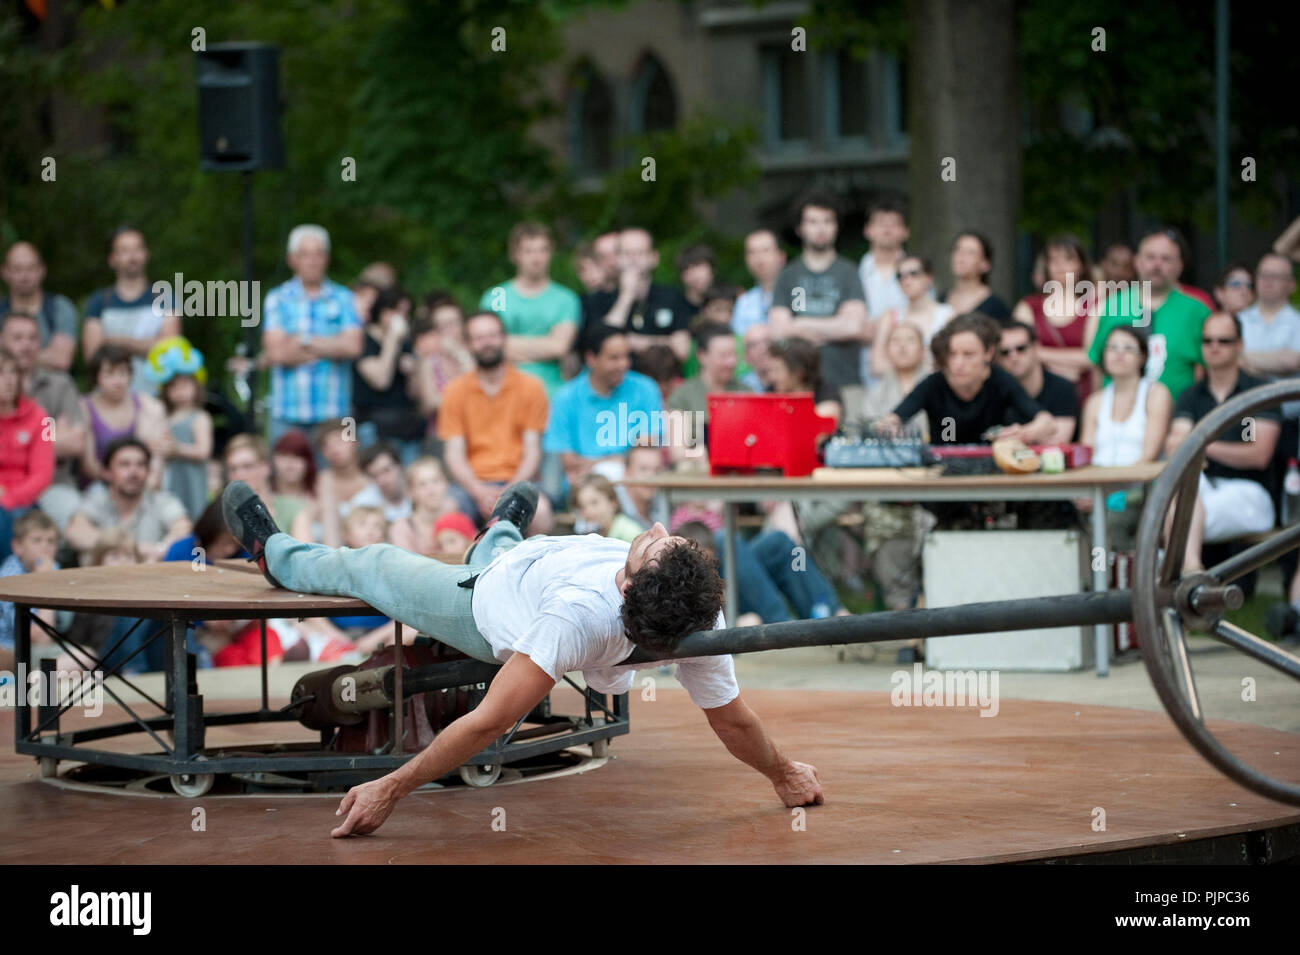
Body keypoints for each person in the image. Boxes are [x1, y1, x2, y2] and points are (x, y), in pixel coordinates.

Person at [220, 479, 822, 836]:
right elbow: (732, 716)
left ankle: (275, 552)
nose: (658, 528)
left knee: (373, 564)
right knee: (505, 546)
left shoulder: (575, 620)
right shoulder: (699, 607)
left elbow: (487, 722)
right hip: (531, 563)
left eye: (656, 546)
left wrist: (391, 788)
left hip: (481, 606)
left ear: (630, 587)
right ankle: (499, 530)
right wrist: (782, 772)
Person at [1164, 312, 1280, 572]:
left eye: (1223, 340)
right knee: (1185, 499)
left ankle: (1182, 578)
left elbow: (1258, 454)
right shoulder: (1191, 395)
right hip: (1201, 486)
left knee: (1175, 513)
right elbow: (1175, 446)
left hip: (1249, 490)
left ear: (1239, 345)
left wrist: (1201, 443)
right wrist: (1199, 445)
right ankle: (1192, 571)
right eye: (1207, 340)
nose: (1214, 346)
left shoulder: (1257, 392)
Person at [438, 310, 553, 531]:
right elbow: (454, 453)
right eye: (479, 338)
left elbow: (533, 452)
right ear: (469, 344)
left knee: (543, 513)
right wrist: (477, 490)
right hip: (471, 485)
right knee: (446, 513)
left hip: (519, 481)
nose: (487, 343)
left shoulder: (531, 387)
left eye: (492, 335)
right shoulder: (455, 391)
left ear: (503, 339)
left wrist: (509, 493)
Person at [877, 312, 1055, 445]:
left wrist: (1023, 433)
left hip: (989, 477)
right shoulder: (934, 383)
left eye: (968, 354)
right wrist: (890, 428)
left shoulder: (1000, 380)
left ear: (989, 353)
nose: (958, 363)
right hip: (941, 476)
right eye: (952, 354)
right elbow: (892, 419)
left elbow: (1046, 422)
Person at [261, 224, 364, 449]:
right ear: (292, 259)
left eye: (318, 253)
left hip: (336, 414)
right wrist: (333, 344)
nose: (312, 260)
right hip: (286, 414)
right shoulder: (277, 298)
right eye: (305, 254)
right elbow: (276, 353)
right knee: (284, 480)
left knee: (340, 477)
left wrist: (303, 341)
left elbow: (354, 347)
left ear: (326, 258)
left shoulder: (345, 298)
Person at [1085, 227, 1212, 403]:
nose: (1157, 265)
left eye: (1166, 259)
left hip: (1178, 420)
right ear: (1137, 261)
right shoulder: (1111, 306)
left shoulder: (1197, 311)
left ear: (1180, 266)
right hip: (1118, 420)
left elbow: (1204, 370)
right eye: (1150, 257)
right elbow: (1098, 367)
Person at [1077, 325, 1173, 549]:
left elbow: (1149, 455)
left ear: (1143, 357)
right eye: (1112, 347)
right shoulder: (1095, 401)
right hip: (1098, 489)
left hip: (1138, 491)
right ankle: (1089, 582)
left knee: (1113, 519)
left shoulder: (1156, 394)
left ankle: (1114, 582)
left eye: (1128, 348)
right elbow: (1086, 453)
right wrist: (1086, 491)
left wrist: (1111, 493)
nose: (1119, 353)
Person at [767, 191, 869, 394]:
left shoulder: (849, 272)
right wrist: (833, 327)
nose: (821, 228)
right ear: (799, 228)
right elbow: (778, 330)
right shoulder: (788, 274)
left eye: (827, 221)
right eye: (813, 221)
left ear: (836, 227)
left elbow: (853, 326)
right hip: (797, 387)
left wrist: (801, 323)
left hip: (846, 383)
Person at [545, 326, 663, 491]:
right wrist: (612, 461)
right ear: (591, 358)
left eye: (626, 356)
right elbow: (568, 461)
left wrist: (601, 463)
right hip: (584, 485)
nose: (623, 364)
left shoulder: (645, 389)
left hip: (634, 481)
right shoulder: (566, 397)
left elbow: (648, 445)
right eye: (614, 358)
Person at [0, 311, 85, 530]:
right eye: (18, 338)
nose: (26, 345)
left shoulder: (60, 385)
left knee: (73, 514)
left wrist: (38, 445)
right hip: (9, 488)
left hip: (53, 484)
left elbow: (76, 441)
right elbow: (54, 440)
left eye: (32, 338)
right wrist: (43, 440)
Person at [674, 520, 845, 625]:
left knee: (779, 542)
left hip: (738, 579)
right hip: (729, 607)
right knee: (726, 539)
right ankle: (781, 624)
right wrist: (733, 620)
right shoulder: (671, 574)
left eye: (710, 562)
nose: (707, 567)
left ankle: (829, 610)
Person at [479, 222, 580, 397]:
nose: (536, 258)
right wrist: (545, 346)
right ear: (515, 255)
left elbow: (559, 347)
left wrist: (507, 344)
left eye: (543, 250)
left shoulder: (565, 298)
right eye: (528, 251)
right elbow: (487, 344)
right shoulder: (498, 296)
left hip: (551, 394)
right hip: (502, 393)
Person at [65, 436, 192, 565]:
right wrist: (135, 548)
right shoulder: (96, 500)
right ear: (106, 472)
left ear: (148, 471)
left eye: (140, 464)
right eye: (124, 464)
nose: (133, 471)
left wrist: (159, 549)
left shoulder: (162, 500)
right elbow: (75, 532)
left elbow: (184, 530)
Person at [82, 228, 179, 393]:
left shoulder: (166, 298)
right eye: (125, 250)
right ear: (112, 259)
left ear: (146, 254)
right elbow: (92, 356)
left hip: (155, 399)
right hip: (107, 403)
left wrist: (118, 341)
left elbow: (171, 352)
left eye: (137, 249)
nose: (132, 256)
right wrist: (149, 344)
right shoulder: (99, 301)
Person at [580, 227, 693, 365]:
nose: (634, 259)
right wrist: (626, 296)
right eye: (627, 253)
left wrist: (631, 340)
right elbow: (602, 345)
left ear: (654, 258)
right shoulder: (597, 300)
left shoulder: (673, 296)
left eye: (640, 253)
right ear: (617, 259)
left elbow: (682, 350)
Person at [1012, 234, 1097, 408]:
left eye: (1068, 259)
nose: (1059, 265)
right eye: (1053, 260)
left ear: (1081, 265)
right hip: (1035, 398)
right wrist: (1069, 366)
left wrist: (1039, 353)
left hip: (1081, 400)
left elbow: (1091, 357)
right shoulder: (1029, 306)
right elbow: (1015, 352)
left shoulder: (1095, 306)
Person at [79, 344, 169, 489]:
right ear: (97, 377)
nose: (118, 381)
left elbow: (157, 457)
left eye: (123, 373)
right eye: (110, 374)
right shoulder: (84, 407)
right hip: (99, 485)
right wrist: (118, 481)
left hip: (141, 485)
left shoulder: (149, 406)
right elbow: (88, 464)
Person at [353, 286, 424, 464]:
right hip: (372, 426)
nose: (400, 318)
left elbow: (415, 394)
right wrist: (392, 338)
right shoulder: (364, 340)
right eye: (395, 310)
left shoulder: (406, 342)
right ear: (380, 310)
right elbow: (381, 380)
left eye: (405, 313)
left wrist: (414, 371)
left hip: (406, 427)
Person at [145, 337, 213, 521]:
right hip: (171, 479)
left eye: (185, 384)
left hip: (192, 479)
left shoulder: (200, 417)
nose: (180, 391)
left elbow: (203, 451)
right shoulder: (164, 417)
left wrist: (177, 450)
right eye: (173, 386)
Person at [0, 345, 55, 560]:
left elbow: (44, 474)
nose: (9, 379)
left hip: (23, 502)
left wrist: (9, 498)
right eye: (1, 373)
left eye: (13, 372)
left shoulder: (43, 417)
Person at [291, 419, 382, 547]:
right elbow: (305, 519)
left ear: (355, 442)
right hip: (327, 552)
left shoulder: (376, 479)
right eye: (326, 445)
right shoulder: (317, 483)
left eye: (340, 441)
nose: (334, 449)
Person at [668, 324, 752, 456]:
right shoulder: (682, 396)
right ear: (702, 356)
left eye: (734, 354)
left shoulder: (747, 393)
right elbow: (678, 451)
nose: (731, 362)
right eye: (723, 355)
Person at [411, 292, 475, 456]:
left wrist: (461, 355)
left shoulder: (477, 353)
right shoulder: (429, 361)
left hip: (478, 434)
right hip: (441, 438)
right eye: (441, 326)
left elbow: (484, 391)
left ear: (463, 324)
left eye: (452, 323)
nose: (448, 330)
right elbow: (429, 404)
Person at [995, 321, 1080, 444]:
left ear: (1035, 347)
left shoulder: (1062, 388)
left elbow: (1059, 441)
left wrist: (1021, 435)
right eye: (1005, 352)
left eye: (1021, 348)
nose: (1014, 356)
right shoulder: (995, 389)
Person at [857, 197, 911, 386]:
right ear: (867, 230)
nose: (887, 229)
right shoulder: (855, 275)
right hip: (860, 370)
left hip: (907, 371)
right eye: (880, 223)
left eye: (894, 224)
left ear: (906, 232)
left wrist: (881, 328)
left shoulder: (917, 275)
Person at [0, 241, 78, 372]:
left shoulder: (60, 307)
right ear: (5, 272)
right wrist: (42, 355)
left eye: (30, 268)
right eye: (17, 269)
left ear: (42, 270)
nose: (24, 276)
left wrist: (11, 355)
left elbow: (62, 359)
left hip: (51, 389)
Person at [870, 255, 952, 378]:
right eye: (900, 276)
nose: (906, 281)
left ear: (929, 277)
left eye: (913, 274)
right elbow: (877, 366)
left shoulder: (948, 315)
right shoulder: (890, 317)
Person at [0, 510, 60, 670]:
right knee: (82, 660)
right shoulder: (10, 579)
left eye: (51, 541)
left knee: (87, 656)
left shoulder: (52, 567)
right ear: (17, 546)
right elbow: (40, 638)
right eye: (37, 540)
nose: (45, 547)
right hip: (12, 652)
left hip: (42, 649)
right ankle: (28, 682)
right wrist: (45, 582)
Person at [223, 433, 306, 534]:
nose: (239, 475)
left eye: (247, 466)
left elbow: (304, 548)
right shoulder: (224, 515)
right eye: (232, 469)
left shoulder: (292, 508)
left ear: (266, 467)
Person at [388, 457, 466, 558]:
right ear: (411, 493)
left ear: (446, 484)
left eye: (436, 481)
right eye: (422, 484)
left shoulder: (459, 520)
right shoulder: (401, 529)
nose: (431, 490)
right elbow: (406, 568)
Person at [767, 336, 842, 423]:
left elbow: (819, 430)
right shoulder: (771, 391)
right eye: (771, 370)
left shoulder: (825, 393)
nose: (772, 377)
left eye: (777, 370)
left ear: (799, 372)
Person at [943, 231, 1011, 321]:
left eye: (971, 252)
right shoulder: (941, 300)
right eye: (957, 249)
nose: (960, 256)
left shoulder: (997, 308)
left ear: (985, 264)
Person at [731, 229, 787, 336]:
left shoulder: (798, 293)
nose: (759, 258)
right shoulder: (744, 301)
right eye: (752, 252)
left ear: (781, 257)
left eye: (765, 250)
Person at [574, 473, 644, 543]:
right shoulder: (596, 534)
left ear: (613, 502)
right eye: (582, 507)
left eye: (594, 502)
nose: (589, 511)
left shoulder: (630, 533)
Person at [359, 443, 413, 524]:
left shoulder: (421, 490)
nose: (382, 480)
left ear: (400, 466)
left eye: (386, 470)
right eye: (375, 476)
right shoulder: (363, 505)